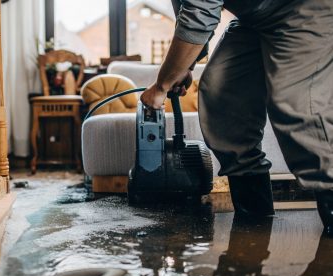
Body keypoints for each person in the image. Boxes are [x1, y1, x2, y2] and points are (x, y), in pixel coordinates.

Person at [141, 0, 333, 233]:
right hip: (255, 17)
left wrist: (162, 85)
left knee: (298, 106)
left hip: (306, 8)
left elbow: (200, 12)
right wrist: (186, 65)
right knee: (221, 94)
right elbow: (188, 8)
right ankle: (256, 227)